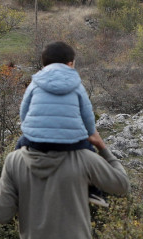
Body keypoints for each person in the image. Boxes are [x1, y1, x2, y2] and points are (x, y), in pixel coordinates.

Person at [0, 132, 130, 239]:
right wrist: (102, 147)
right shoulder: (84, 158)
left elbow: (2, 215)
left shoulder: (14, 160)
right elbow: (122, 185)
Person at [19, 41, 108, 206]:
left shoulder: (34, 84)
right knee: (89, 152)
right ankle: (94, 192)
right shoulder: (77, 86)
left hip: (36, 142)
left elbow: (24, 111)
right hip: (71, 143)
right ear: (70, 64)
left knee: (18, 149)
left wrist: (28, 130)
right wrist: (89, 134)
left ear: (44, 64)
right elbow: (88, 116)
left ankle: (18, 183)